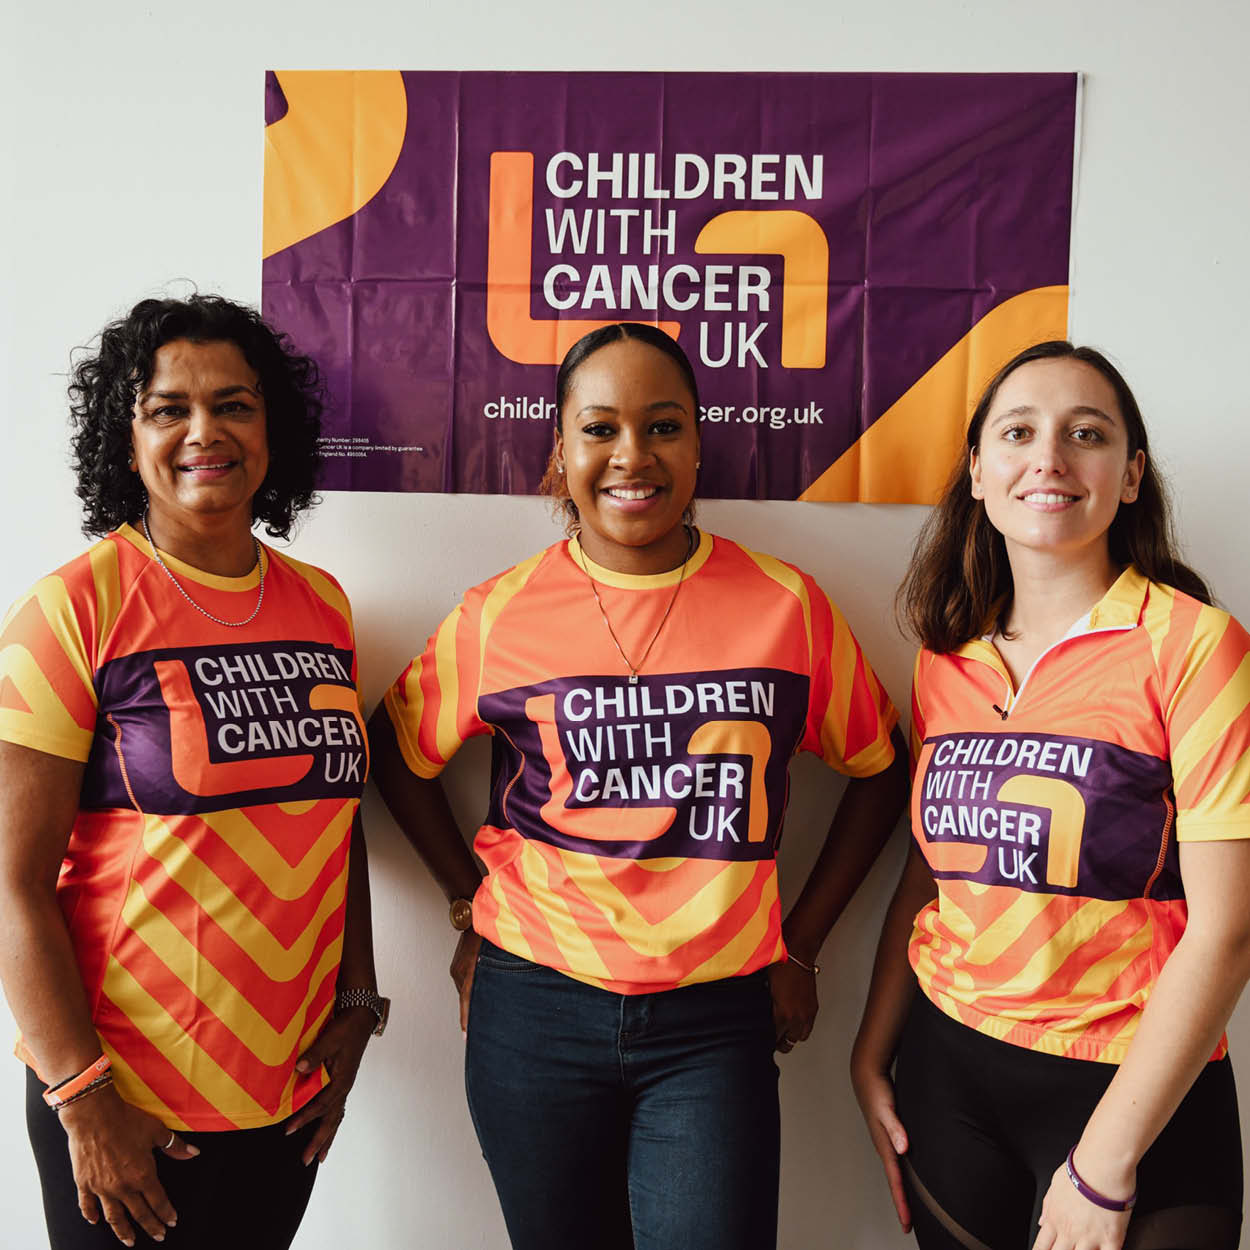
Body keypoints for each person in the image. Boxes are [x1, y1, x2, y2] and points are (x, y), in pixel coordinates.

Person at [368, 321, 908, 1250]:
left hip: (714, 1019)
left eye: (662, 427)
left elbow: (881, 770)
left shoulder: (786, 607)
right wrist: (466, 902)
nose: (632, 456)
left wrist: (803, 944)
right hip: (534, 1009)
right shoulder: (499, 614)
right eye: (600, 429)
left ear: (698, 445)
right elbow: (393, 750)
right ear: (561, 449)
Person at [0, 294, 386, 1249]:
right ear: (125, 441)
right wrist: (83, 1098)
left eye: (234, 405)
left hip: (287, 1093)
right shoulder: (74, 609)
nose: (204, 431)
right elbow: (11, 885)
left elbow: (333, 822)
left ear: (271, 429)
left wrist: (358, 1000)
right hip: (128, 1100)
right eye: (168, 409)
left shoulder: (322, 606)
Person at [851, 341, 1250, 1250]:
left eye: (1086, 434)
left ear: (1132, 475)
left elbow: (1229, 930)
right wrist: (869, 1052)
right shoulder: (945, 659)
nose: (1050, 459)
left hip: (1140, 1094)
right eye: (1019, 432)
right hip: (950, 1080)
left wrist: (1102, 1166)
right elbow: (930, 873)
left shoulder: (1195, 647)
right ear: (978, 472)